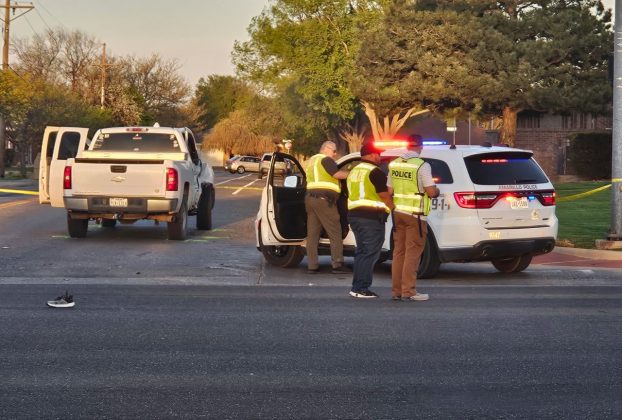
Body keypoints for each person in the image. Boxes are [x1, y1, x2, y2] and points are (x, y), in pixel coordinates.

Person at [388, 134, 439, 301]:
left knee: (399, 253)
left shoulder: (394, 164)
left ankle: (397, 291)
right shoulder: (422, 165)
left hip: (398, 213)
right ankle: (409, 291)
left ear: (407, 146)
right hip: (416, 215)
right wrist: (436, 191)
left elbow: (389, 191)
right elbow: (431, 191)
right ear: (420, 146)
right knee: (413, 253)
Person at [346, 142, 395, 298]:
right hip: (371, 218)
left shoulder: (354, 171)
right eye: (378, 155)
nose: (379, 158)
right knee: (370, 253)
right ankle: (361, 288)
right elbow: (384, 195)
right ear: (372, 155)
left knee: (362, 252)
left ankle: (356, 287)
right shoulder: (375, 172)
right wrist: (393, 208)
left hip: (355, 216)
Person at [304, 141, 350, 274]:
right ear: (326, 148)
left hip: (310, 199)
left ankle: (312, 266)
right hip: (324, 201)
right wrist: (353, 173)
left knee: (312, 234)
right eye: (334, 151)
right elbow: (337, 175)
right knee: (335, 231)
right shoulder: (326, 160)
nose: (335, 154)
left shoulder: (311, 161)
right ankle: (337, 264)